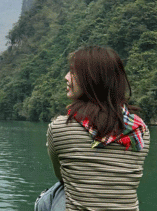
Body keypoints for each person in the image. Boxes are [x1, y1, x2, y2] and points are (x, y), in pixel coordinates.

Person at [36, 45, 149, 211]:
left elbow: (62, 176)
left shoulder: (61, 127)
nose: (66, 77)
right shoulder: (139, 132)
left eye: (73, 72)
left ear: (92, 79)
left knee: (49, 197)